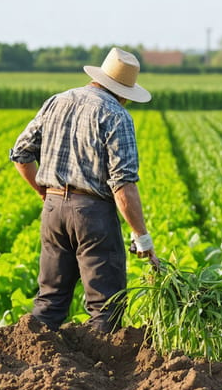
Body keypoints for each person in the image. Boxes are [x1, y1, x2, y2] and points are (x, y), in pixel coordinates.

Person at [9, 47, 161, 333]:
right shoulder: (116, 115)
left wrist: (45, 194)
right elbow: (123, 185)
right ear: (124, 92)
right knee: (106, 306)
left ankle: (31, 366)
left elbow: (20, 155)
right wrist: (142, 237)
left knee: (49, 301)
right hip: (93, 215)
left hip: (53, 210)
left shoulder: (57, 101)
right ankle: (102, 371)